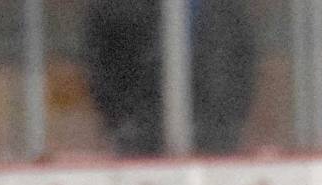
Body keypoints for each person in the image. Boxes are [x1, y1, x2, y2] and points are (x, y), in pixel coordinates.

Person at [83, 0, 260, 156]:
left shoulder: (225, 6)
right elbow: (100, 63)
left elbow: (242, 58)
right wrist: (125, 123)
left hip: (215, 142)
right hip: (140, 145)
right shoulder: (114, 6)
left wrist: (227, 122)